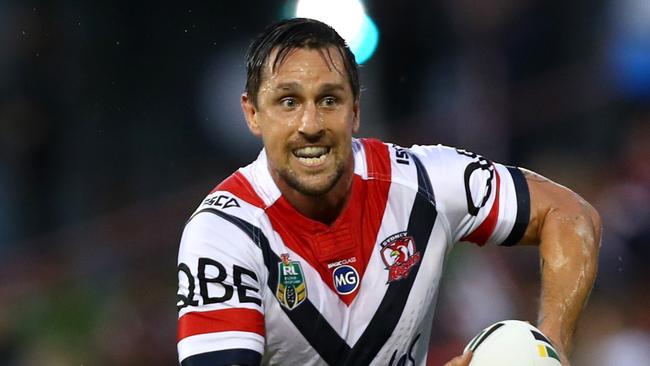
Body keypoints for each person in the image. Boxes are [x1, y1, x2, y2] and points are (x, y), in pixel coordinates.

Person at [175, 18, 601, 366]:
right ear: (252, 114)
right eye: (288, 102)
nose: (310, 124)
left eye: (329, 100)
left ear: (356, 110)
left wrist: (553, 347)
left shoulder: (425, 182)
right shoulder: (224, 234)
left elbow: (570, 213)